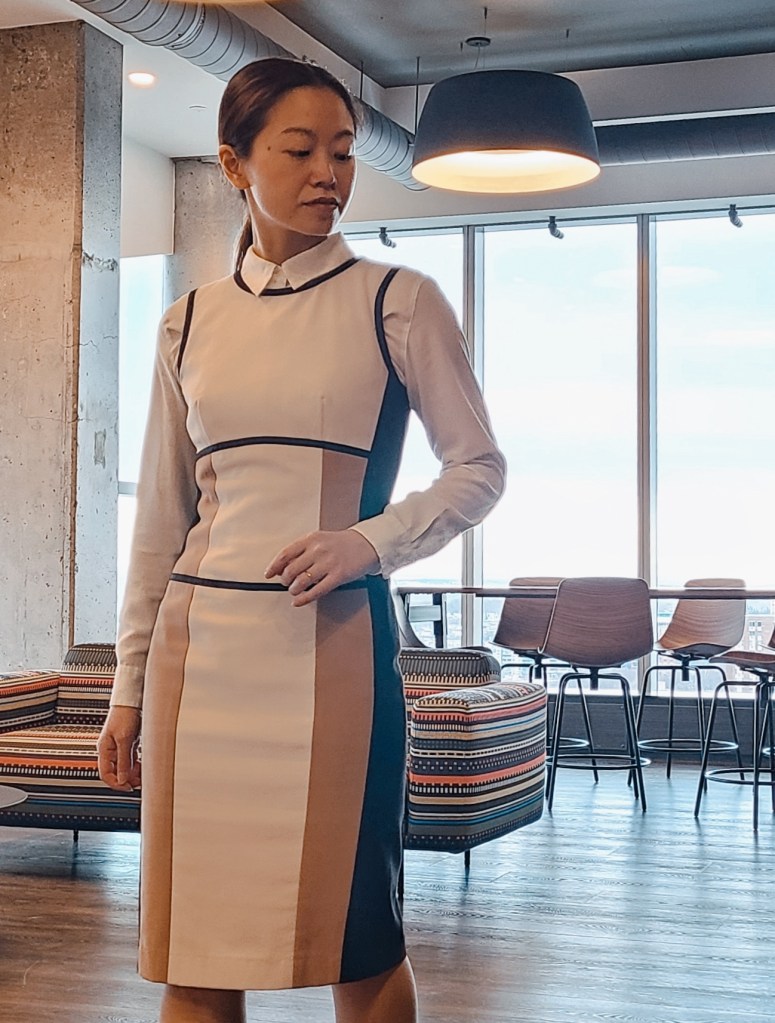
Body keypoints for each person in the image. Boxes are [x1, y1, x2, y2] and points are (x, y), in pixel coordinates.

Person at [97, 57, 505, 1023]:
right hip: (202, 672)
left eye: (342, 152)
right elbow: (161, 522)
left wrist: (368, 541)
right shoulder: (185, 322)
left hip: (336, 662)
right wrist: (127, 688)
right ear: (237, 164)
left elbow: (477, 469)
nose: (329, 171)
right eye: (300, 149)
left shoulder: (396, 300)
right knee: (194, 952)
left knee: (356, 940)